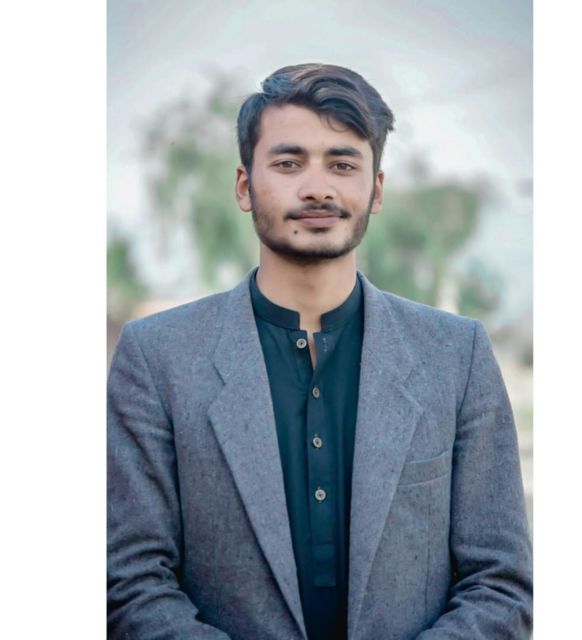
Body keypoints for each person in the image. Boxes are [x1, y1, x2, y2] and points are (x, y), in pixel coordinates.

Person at [107, 63, 533, 640]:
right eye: (288, 163)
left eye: (343, 164)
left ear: (376, 189)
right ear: (244, 186)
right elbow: (130, 583)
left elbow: (501, 582)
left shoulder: (457, 356)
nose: (317, 188)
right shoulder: (157, 358)